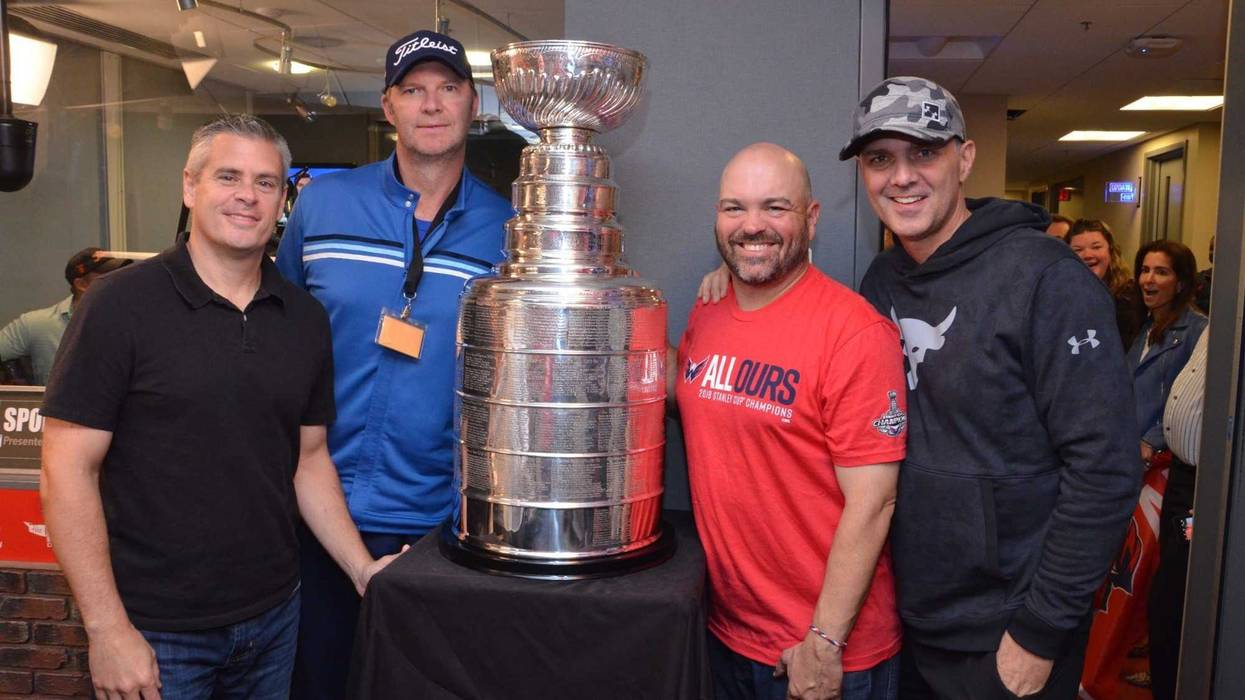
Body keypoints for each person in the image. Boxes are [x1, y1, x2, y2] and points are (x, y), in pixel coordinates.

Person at [39, 115, 398, 699]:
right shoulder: (118, 305)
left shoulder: (305, 319)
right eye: (228, 176)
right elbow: (65, 470)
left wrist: (362, 570)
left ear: (283, 199)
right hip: (156, 631)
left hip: (275, 618)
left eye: (265, 183)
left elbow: (308, 461)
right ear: (190, 186)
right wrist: (107, 629)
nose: (246, 196)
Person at [846, 77, 1139, 698]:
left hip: (1009, 629)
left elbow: (1105, 469)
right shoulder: (882, 279)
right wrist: (739, 279)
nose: (901, 177)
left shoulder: (1047, 280)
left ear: (965, 158)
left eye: (923, 152)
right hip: (909, 615)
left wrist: (1039, 633)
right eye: (880, 159)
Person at [274, 29, 512, 699]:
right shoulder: (322, 206)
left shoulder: (507, 233)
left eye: (446, 89)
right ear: (388, 107)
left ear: (472, 104)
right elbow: (278, 335)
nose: (430, 105)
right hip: (314, 512)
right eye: (413, 90)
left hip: (438, 523)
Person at [677, 143, 906, 700]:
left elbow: (874, 502)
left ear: (811, 217)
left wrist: (823, 642)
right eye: (734, 208)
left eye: (774, 207)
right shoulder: (708, 310)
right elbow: (680, 388)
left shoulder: (854, 333)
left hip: (825, 652)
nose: (751, 225)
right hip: (727, 633)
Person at [1151, 327, 1208, 700]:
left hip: (1206, 490)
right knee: (1167, 597)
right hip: (1183, 480)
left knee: (1176, 599)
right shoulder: (1218, 318)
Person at [1126, 240, 1207, 470]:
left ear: (1180, 284)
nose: (1149, 279)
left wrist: (1152, 440)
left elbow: (1192, 405)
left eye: (1161, 272)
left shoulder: (1198, 331)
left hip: (1166, 465)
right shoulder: (1144, 326)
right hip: (1131, 455)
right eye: (1145, 270)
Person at [0, 248, 129, 385]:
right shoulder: (37, 324)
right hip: (58, 405)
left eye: (120, 274)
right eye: (108, 276)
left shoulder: (133, 323)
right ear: (81, 284)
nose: (119, 281)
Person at [1065, 219, 1141, 348]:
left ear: (1110, 251)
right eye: (1078, 250)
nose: (1087, 255)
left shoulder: (1130, 296)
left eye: (1096, 247)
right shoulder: (1059, 296)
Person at [1195, 235, 1213, 314]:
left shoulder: (1239, 285)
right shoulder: (1198, 279)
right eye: (1211, 248)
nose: (1212, 253)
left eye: (1218, 248)